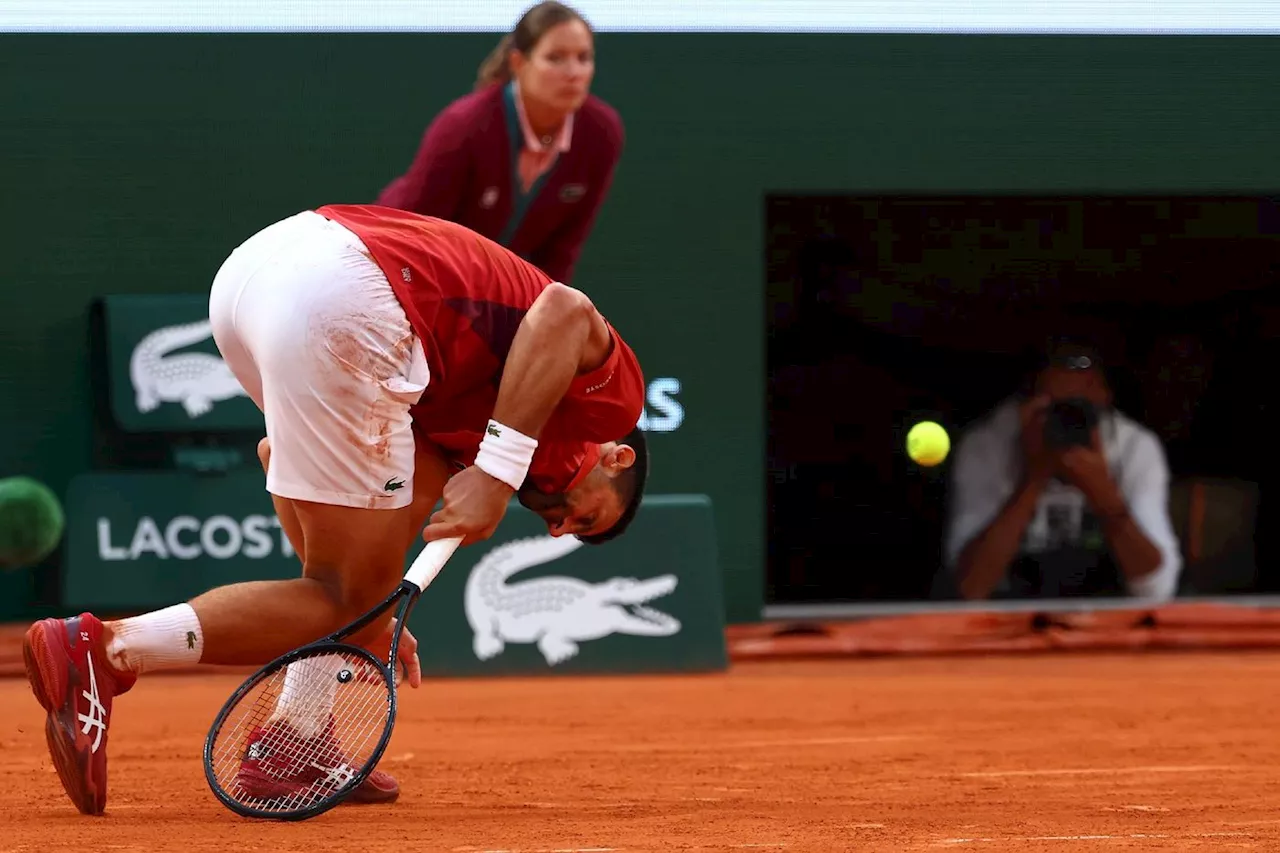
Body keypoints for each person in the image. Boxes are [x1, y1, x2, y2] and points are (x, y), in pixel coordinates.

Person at [22, 203, 648, 815]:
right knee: (342, 594)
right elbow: (565, 309)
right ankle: (103, 650)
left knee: (346, 591)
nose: (558, 525)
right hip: (350, 297)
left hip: (257, 280)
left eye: (566, 532)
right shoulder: (610, 406)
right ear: (615, 459)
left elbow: (285, 470)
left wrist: (367, 618)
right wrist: (497, 469)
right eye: (586, 518)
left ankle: (295, 741)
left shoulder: (456, 421)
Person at [376, 1, 623, 287]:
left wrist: (547, 315)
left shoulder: (602, 133)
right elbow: (412, 238)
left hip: (490, 289)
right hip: (394, 267)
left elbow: (562, 251)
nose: (573, 72)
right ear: (518, 63)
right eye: (556, 58)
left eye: (584, 57)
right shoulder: (463, 126)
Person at [942, 337, 1181, 601]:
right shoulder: (989, 443)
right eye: (1056, 407)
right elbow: (970, 589)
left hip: (1105, 618)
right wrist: (1032, 480)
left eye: (1079, 409)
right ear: (1026, 404)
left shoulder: (1134, 446)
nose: (1067, 421)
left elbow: (1158, 589)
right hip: (1009, 618)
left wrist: (1104, 494)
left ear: (1105, 399)